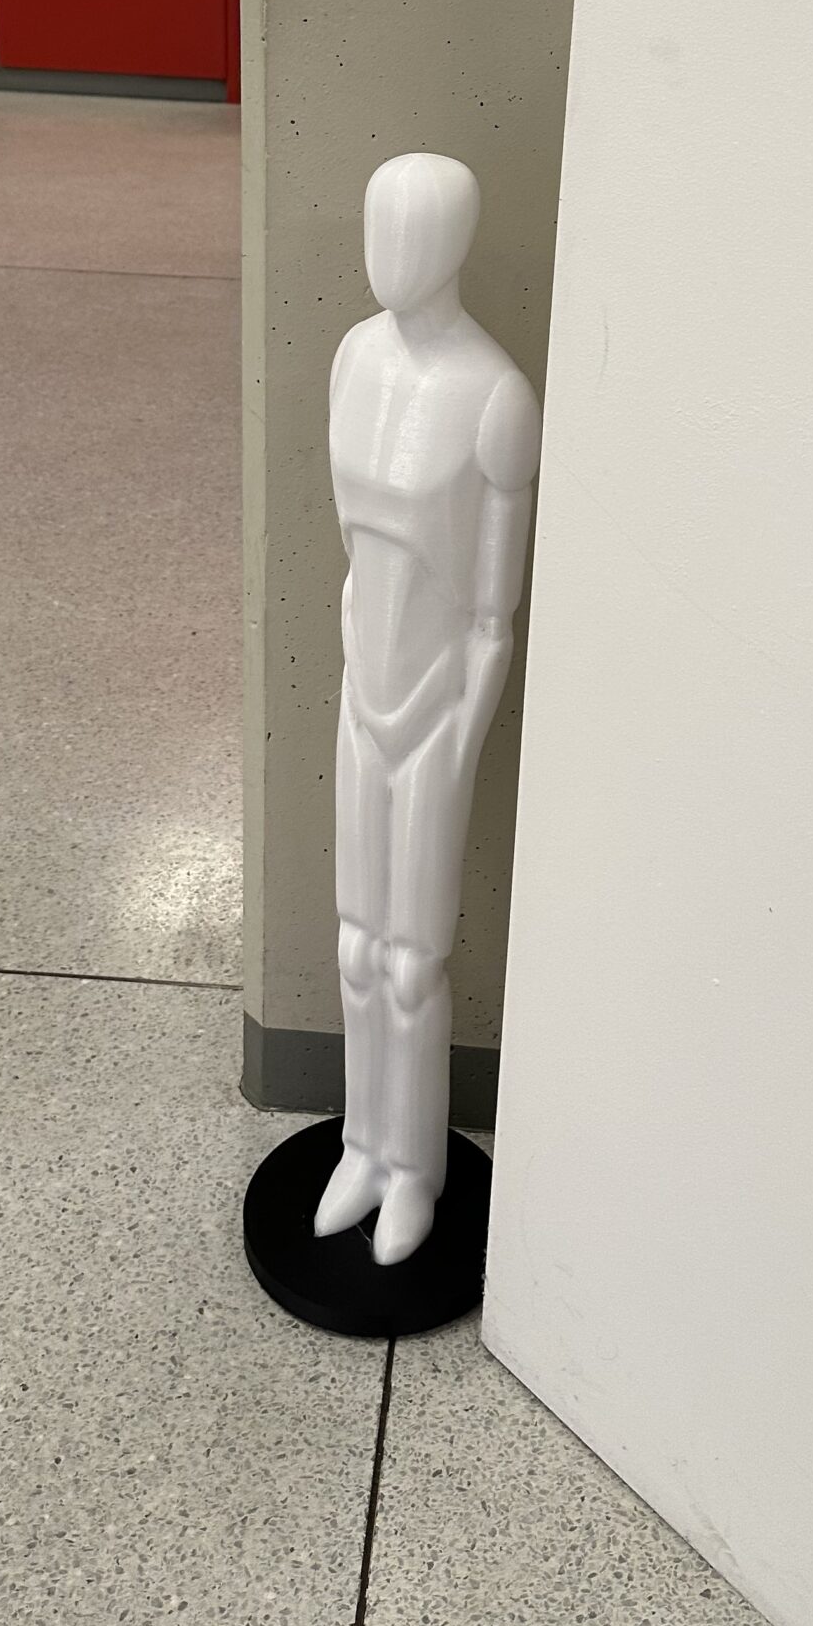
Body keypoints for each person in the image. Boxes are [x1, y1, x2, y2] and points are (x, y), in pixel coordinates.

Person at [315, 153, 540, 1266]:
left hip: (437, 707)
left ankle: (414, 1166)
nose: (386, 254)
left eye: (408, 231)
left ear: (453, 242)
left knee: (413, 957)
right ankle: (362, 1143)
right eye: (377, 226)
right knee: (356, 943)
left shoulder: (497, 400)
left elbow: (495, 615)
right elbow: (353, 553)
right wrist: (361, 677)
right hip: (363, 685)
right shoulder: (353, 358)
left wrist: (459, 737)